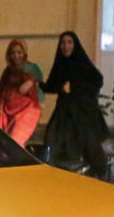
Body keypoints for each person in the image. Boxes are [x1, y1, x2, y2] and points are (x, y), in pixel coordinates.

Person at [41, 31, 109, 179]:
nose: (66, 46)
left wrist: (74, 88)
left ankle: (101, 175)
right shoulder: (60, 64)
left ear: (75, 45)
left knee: (89, 143)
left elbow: (97, 81)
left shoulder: (82, 62)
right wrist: (36, 83)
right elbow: (52, 85)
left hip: (83, 112)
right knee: (52, 140)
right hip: (64, 112)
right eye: (63, 43)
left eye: (69, 42)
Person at [0, 38, 44, 147]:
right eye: (13, 53)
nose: (16, 56)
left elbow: (39, 91)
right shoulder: (8, 71)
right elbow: (2, 89)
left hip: (27, 111)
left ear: (24, 53)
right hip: (9, 112)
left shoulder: (33, 69)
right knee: (7, 143)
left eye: (19, 52)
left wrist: (30, 83)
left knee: (16, 141)